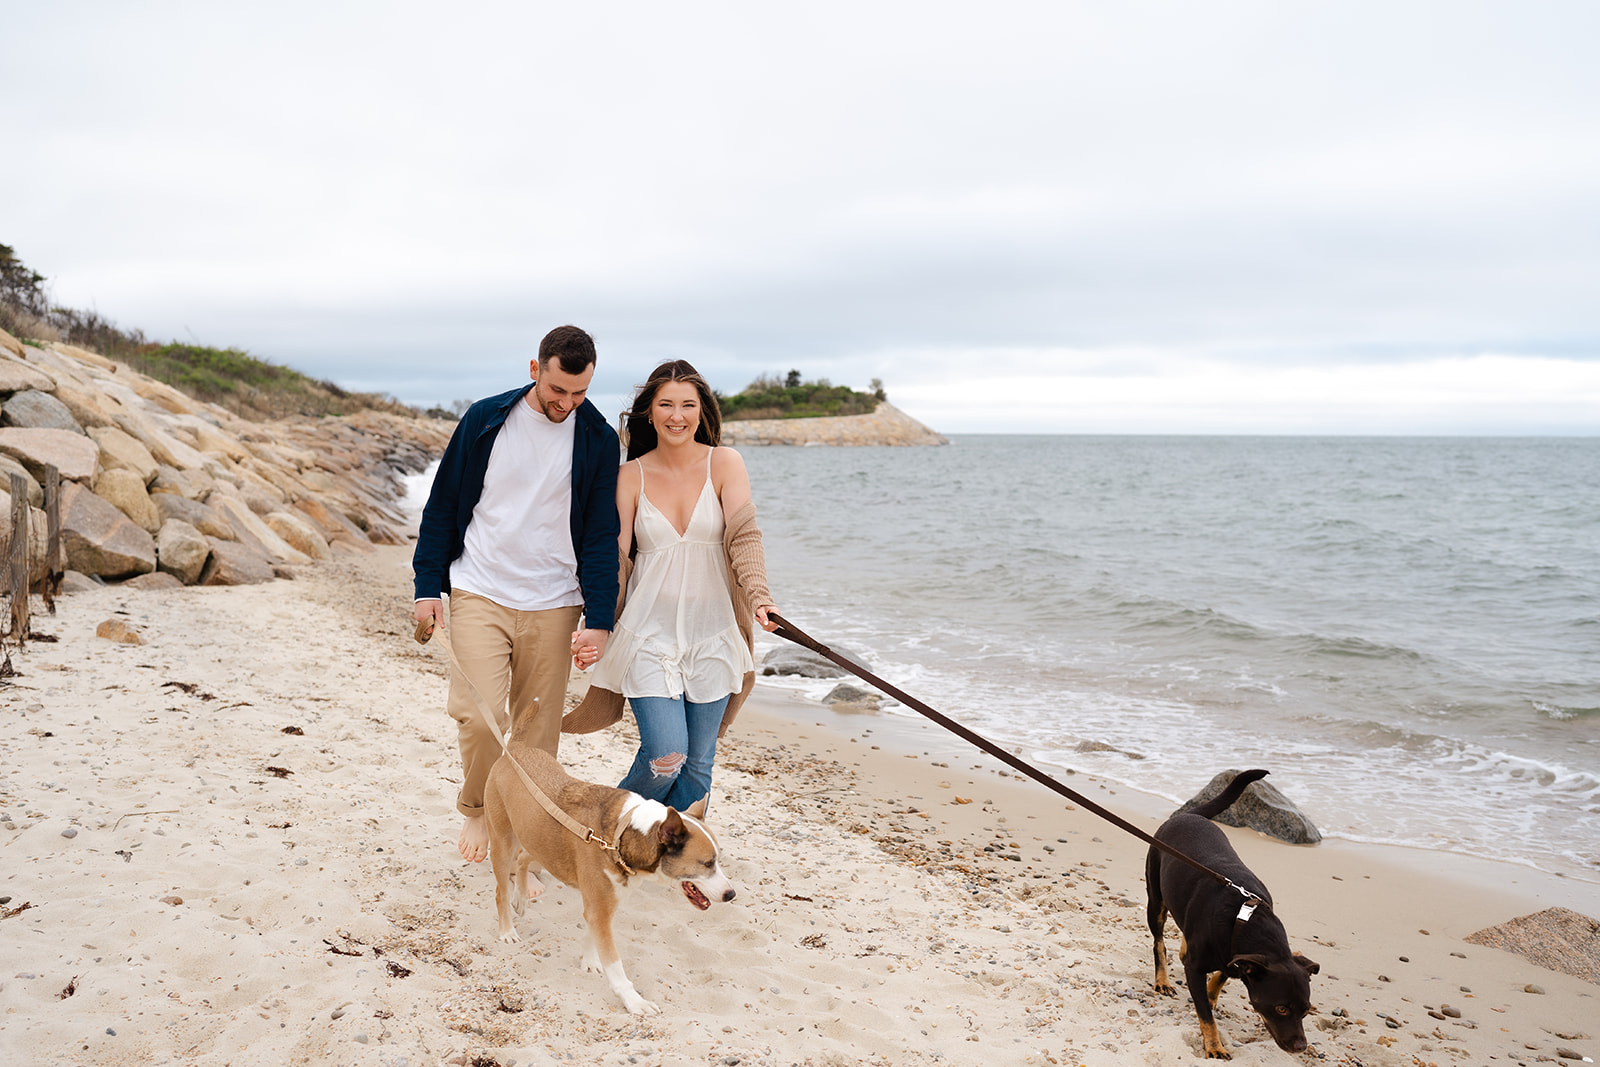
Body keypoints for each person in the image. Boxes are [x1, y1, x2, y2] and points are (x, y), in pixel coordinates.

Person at [412, 325, 620, 863]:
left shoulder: (597, 438)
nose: (567, 403)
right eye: (558, 391)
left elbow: (601, 533)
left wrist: (598, 616)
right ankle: (478, 810)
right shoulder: (485, 420)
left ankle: (525, 840)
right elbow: (442, 505)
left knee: (535, 735)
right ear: (536, 370)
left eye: (580, 393)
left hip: (555, 600)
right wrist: (427, 586)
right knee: (480, 718)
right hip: (480, 585)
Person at [563, 359, 778, 812]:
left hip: (714, 634)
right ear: (650, 411)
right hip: (648, 635)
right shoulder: (630, 476)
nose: (676, 415)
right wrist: (595, 622)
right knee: (667, 754)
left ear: (702, 411)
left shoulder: (725, 463)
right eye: (666, 404)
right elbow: (614, 560)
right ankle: (605, 829)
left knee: (698, 763)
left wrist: (760, 597)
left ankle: (673, 853)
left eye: (687, 404)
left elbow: (744, 536)